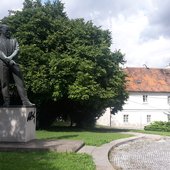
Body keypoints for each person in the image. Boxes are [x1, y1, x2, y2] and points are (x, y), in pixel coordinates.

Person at [0, 24, 35, 106]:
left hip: (14, 63)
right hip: (2, 63)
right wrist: (6, 59)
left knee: (20, 82)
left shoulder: (13, 40)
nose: (8, 31)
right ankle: (6, 102)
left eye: (9, 30)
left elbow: (17, 49)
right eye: (6, 30)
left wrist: (10, 58)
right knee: (4, 84)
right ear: (1, 30)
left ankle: (25, 101)